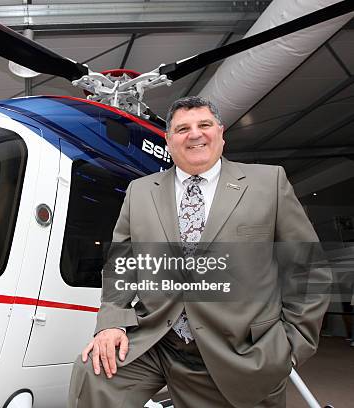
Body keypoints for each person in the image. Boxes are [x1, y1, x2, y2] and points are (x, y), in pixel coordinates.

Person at [67, 96, 330, 408]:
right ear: (168, 140)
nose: (195, 134)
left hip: (240, 347)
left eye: (204, 125)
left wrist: (290, 346)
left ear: (220, 133)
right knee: (94, 372)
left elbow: (307, 269)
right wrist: (110, 323)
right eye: (182, 128)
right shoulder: (141, 191)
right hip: (157, 340)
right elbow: (121, 266)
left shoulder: (268, 183)